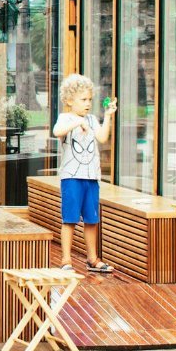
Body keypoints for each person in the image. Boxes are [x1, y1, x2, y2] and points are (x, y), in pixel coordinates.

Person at [52, 74, 118, 273]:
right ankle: (66, 259)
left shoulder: (91, 119)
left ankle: (92, 258)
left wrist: (107, 116)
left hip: (92, 177)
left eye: (90, 99)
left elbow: (102, 137)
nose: (88, 103)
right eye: (83, 99)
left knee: (92, 219)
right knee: (70, 219)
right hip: (72, 177)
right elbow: (57, 131)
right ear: (70, 100)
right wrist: (76, 123)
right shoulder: (65, 118)